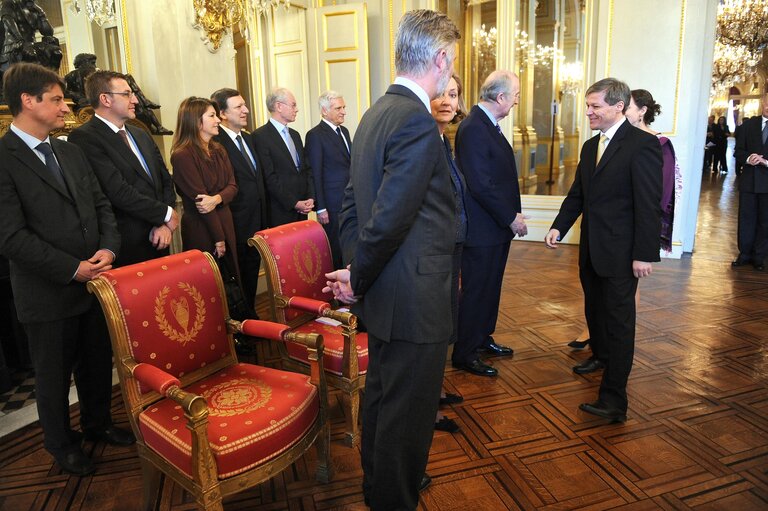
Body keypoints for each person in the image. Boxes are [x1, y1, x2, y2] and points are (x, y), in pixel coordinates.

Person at [323, 9, 460, 510]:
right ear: (440, 59)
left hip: (386, 293)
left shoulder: (375, 112)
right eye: (452, 64)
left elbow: (351, 205)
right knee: (408, 415)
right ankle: (392, 500)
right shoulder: (417, 123)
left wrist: (357, 269)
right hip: (414, 298)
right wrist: (358, 276)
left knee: (382, 401)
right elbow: (390, 218)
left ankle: (377, 488)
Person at [0, 62, 134, 476]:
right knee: (54, 377)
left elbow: (101, 207)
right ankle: (60, 444)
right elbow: (10, 236)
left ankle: (97, 423)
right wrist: (70, 268)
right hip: (48, 292)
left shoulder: (70, 150)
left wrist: (109, 249)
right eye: (57, 99)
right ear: (28, 100)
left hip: (95, 283)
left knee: (96, 362)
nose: (65, 107)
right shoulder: (4, 159)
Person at [545, 77, 662, 423]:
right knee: (595, 312)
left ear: (619, 107)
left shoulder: (642, 145)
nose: (588, 112)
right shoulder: (589, 146)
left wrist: (644, 254)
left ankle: (614, 400)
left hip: (623, 254)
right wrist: (558, 226)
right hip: (592, 251)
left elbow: (648, 204)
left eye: (595, 106)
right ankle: (600, 355)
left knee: (619, 323)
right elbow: (579, 194)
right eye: (589, 105)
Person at [451, 70, 524, 377]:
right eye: (516, 96)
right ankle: (465, 352)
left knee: (490, 287)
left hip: (495, 229)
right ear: (501, 97)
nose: (517, 101)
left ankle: (482, 338)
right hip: (483, 229)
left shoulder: (488, 125)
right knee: (477, 290)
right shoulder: (473, 127)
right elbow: (480, 184)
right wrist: (510, 218)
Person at [69, 70, 178, 266]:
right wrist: (165, 214)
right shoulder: (84, 138)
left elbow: (165, 180)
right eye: (127, 94)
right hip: (128, 244)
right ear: (105, 99)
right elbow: (116, 190)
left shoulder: (141, 133)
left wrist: (163, 225)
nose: (135, 100)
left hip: (161, 238)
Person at [430, 72, 467, 433]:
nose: (446, 101)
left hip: (451, 246)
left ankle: (436, 391)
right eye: (440, 93)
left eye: (453, 94)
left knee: (447, 321)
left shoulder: (445, 140)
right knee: (437, 325)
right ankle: (428, 408)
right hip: (435, 252)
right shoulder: (425, 140)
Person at [210, 88, 267, 313]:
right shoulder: (216, 143)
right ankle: (242, 328)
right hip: (234, 223)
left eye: (244, 105)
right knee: (237, 279)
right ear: (222, 113)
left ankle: (251, 318)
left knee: (251, 273)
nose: (246, 110)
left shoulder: (249, 138)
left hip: (256, 222)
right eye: (239, 107)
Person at [171, 97, 240, 279]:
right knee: (207, 285)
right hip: (202, 228)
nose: (218, 120)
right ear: (196, 121)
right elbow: (202, 203)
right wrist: (218, 238)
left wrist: (216, 199)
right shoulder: (182, 156)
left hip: (226, 222)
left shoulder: (219, 150)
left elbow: (233, 186)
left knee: (231, 282)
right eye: (212, 116)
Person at [251, 87, 314, 226]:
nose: (296, 109)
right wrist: (294, 203)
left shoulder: (295, 135)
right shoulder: (260, 136)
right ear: (279, 106)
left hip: (302, 208)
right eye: (293, 105)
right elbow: (269, 177)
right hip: (280, 210)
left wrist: (310, 197)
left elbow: (305, 168)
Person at [305, 90, 352, 269]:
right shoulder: (315, 135)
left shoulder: (344, 131)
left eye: (344, 107)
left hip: (348, 200)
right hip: (331, 205)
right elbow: (315, 172)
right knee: (334, 248)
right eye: (338, 108)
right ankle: (336, 290)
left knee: (347, 243)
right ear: (324, 111)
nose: (343, 111)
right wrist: (321, 207)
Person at [732, 92, 768, 272]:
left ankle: (759, 256)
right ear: (763, 102)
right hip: (749, 181)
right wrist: (748, 159)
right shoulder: (749, 125)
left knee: (765, 222)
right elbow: (737, 151)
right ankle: (744, 254)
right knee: (746, 219)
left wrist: (765, 162)